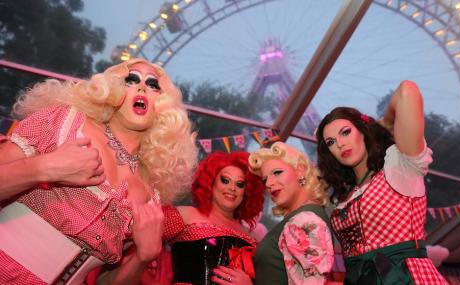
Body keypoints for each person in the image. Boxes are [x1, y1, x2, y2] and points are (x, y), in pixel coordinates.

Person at [0, 58, 198, 285]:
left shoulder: (150, 194)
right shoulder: (66, 122)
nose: (142, 87)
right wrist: (43, 168)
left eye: (153, 85)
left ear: (163, 105)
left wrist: (144, 257)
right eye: (131, 80)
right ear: (111, 89)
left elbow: (106, 282)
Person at [315, 80, 448, 284]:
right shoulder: (348, 194)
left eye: (345, 132)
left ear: (362, 131)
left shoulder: (399, 167)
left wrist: (382, 124)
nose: (340, 144)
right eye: (331, 142)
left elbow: (407, 91)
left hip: (404, 278)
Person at [161, 151, 265, 285]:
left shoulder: (254, 237)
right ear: (210, 183)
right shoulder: (186, 215)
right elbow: (139, 237)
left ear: (247, 192)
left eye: (240, 184)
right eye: (225, 180)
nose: (232, 188)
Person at [248, 141, 334, 285]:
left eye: (277, 172)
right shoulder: (304, 216)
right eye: (265, 180)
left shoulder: (305, 220)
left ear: (300, 170)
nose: (269, 183)